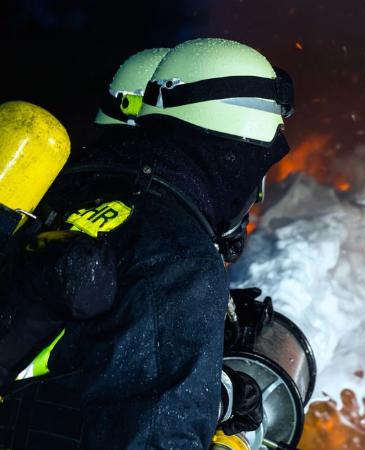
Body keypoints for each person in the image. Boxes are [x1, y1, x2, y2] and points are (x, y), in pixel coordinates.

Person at [0, 37, 294, 449]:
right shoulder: (177, 259)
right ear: (237, 151)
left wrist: (214, 389)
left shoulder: (65, 193)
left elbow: (80, 360)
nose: (256, 195)